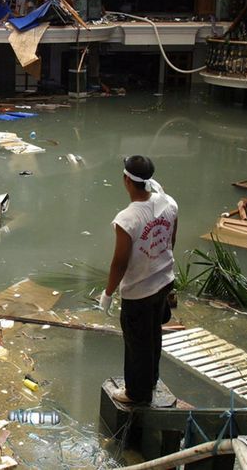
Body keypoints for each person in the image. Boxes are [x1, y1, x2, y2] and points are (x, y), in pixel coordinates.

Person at [98, 155, 178, 406]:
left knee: (136, 343)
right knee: (153, 334)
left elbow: (120, 262)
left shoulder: (127, 219)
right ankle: (151, 380)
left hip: (139, 291)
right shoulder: (169, 203)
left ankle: (136, 393)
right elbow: (171, 240)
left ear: (126, 180)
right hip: (164, 281)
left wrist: (108, 294)